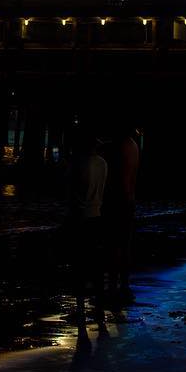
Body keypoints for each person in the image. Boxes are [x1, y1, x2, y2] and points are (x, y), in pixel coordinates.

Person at [68, 125, 109, 327]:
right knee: (96, 263)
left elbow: (71, 192)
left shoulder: (77, 163)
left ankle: (80, 307)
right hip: (97, 215)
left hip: (81, 217)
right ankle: (99, 305)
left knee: (79, 264)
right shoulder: (102, 163)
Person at [102, 127, 140, 305]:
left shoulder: (121, 146)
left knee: (114, 245)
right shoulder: (132, 145)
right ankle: (123, 286)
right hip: (128, 201)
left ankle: (113, 287)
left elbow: (122, 182)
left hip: (119, 201)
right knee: (124, 245)